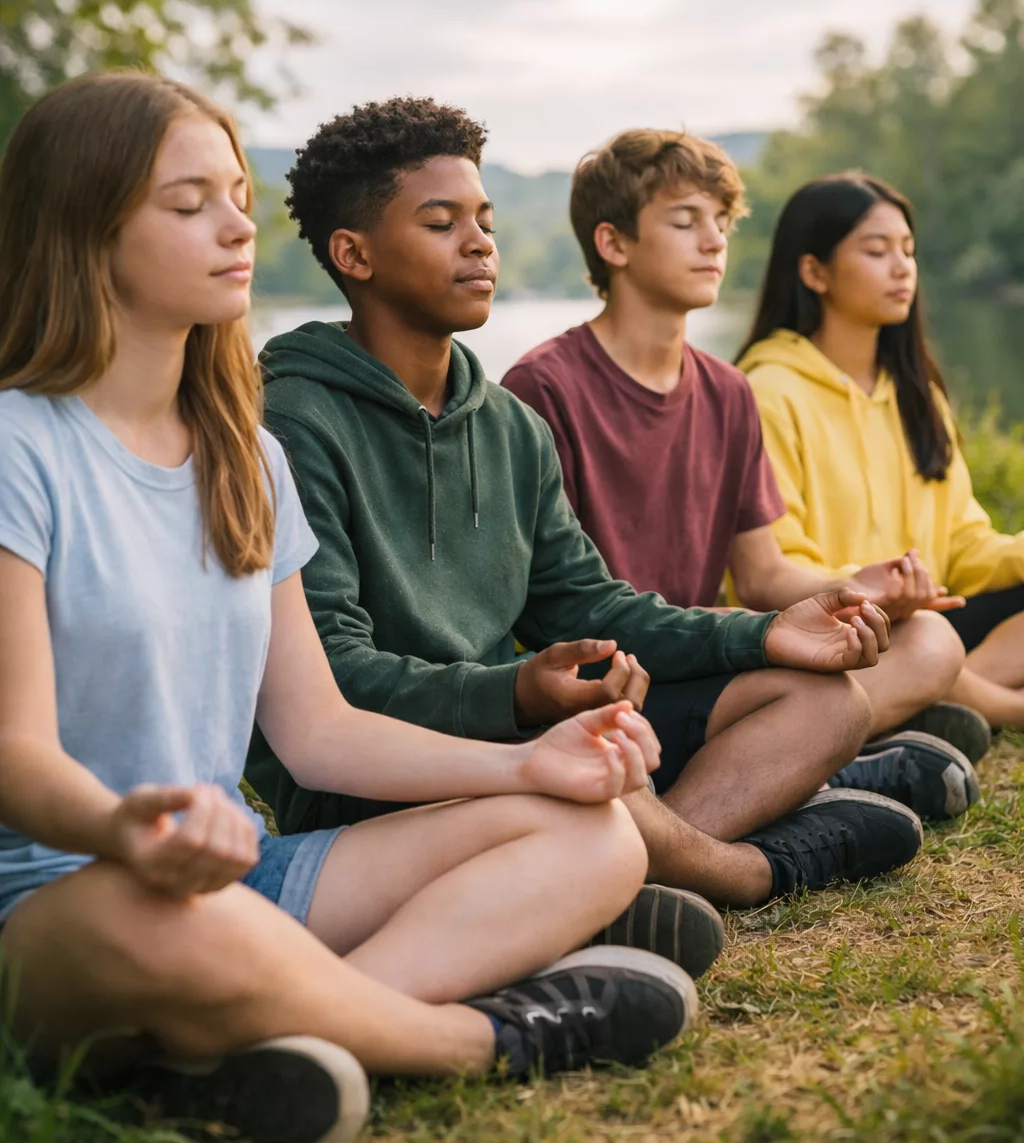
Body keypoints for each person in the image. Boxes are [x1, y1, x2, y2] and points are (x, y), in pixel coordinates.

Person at [0, 72, 705, 1143]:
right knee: (167, 921)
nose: (237, 226)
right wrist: (118, 829)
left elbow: (319, 734)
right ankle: (481, 1035)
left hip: (241, 873)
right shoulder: (19, 450)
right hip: (68, 901)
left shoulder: (248, 457)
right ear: (81, 230)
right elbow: (14, 750)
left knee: (596, 834)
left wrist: (525, 765)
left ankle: (277, 1036)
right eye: (189, 205)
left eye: (237, 196)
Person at [251, 96, 924, 937]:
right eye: (440, 222)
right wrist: (518, 694)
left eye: (484, 219)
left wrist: (761, 635)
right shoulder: (292, 422)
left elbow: (590, 605)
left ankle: (633, 865)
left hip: (521, 735)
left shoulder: (507, 426)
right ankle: (748, 869)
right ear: (355, 254)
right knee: (586, 772)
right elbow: (332, 678)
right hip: (386, 772)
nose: (479, 242)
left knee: (827, 701)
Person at [503, 131, 986, 823]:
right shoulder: (543, 387)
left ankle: (773, 777)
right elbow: (553, 608)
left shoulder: (728, 393)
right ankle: (699, 835)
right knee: (825, 701)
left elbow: (762, 575)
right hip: (611, 681)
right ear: (613, 244)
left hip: (711, 659)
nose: (713, 242)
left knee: (927, 640)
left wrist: (855, 586)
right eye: (685, 221)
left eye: (722, 223)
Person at [737, 171, 1024, 733]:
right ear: (814, 271)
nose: (902, 268)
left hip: (924, 623)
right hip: (838, 631)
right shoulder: (765, 391)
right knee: (923, 640)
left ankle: (946, 699)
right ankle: (987, 706)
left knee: (931, 637)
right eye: (877, 251)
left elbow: (964, 545)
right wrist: (879, 589)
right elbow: (777, 568)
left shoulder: (917, 395)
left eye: (908, 251)